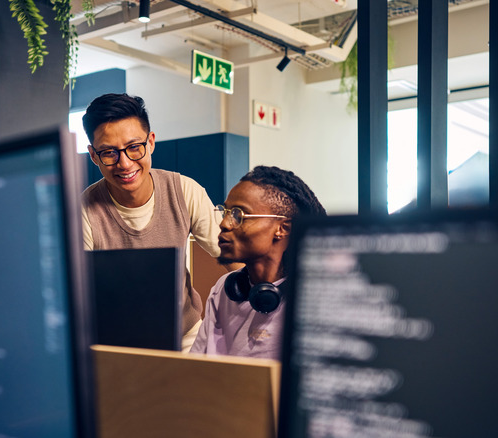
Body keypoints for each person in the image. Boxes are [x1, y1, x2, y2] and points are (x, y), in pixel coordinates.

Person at [80, 93, 225, 352]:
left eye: (134, 147)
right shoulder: (84, 210)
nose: (125, 163)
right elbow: (78, 294)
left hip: (186, 336)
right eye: (109, 153)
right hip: (117, 342)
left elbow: (233, 253)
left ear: (151, 142)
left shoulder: (184, 190)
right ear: (93, 155)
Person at [190, 165, 326, 360]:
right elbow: (196, 367)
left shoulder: (314, 299)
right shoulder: (224, 290)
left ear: (282, 228)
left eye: (239, 214)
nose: (224, 224)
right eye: (225, 212)